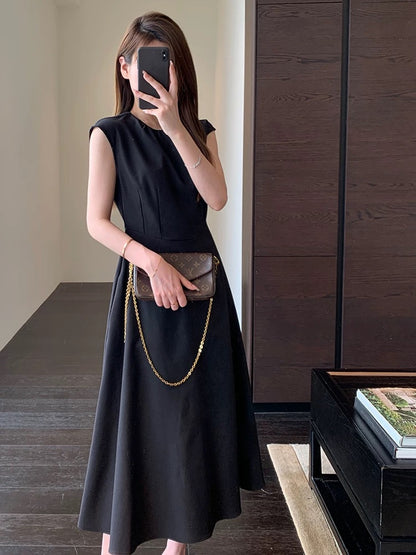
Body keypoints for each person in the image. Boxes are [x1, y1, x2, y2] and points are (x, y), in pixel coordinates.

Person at [77, 11, 265, 555]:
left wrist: (177, 125)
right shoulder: (109, 134)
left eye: (169, 63)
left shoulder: (199, 131)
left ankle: (177, 546)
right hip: (142, 294)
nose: (160, 73)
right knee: (136, 418)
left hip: (203, 294)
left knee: (191, 419)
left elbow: (217, 198)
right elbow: (96, 221)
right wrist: (150, 263)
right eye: (148, 63)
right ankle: (116, 539)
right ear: (125, 67)